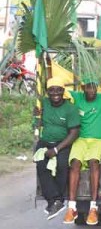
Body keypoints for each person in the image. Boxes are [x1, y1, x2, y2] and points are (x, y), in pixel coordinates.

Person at [63, 79, 101, 225]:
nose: (92, 91)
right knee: (75, 164)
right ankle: (71, 208)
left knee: (94, 163)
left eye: (94, 87)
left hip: (99, 139)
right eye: (88, 87)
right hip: (82, 139)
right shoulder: (77, 97)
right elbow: (56, 88)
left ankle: (93, 208)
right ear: (83, 88)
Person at [34, 77, 80, 220]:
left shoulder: (70, 108)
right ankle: (54, 201)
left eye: (58, 90)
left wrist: (56, 150)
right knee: (41, 165)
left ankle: (57, 200)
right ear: (47, 92)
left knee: (61, 165)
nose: (55, 93)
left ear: (63, 91)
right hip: (45, 141)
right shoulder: (43, 103)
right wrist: (36, 115)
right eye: (51, 90)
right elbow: (38, 122)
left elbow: (74, 132)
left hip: (62, 142)